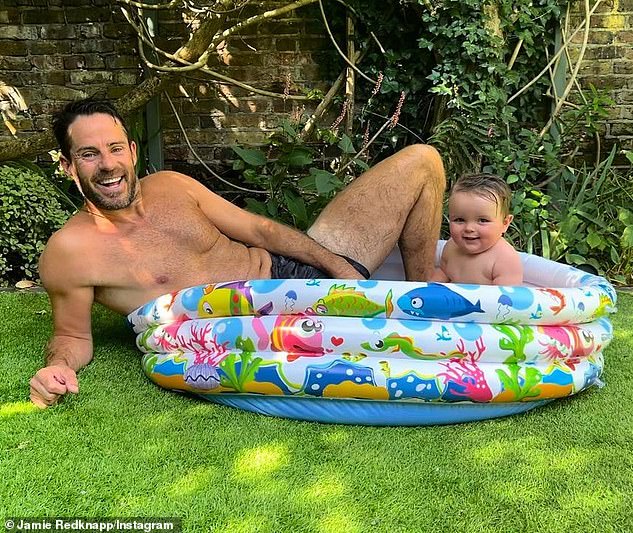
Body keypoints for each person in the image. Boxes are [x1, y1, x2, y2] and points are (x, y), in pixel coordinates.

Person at [29, 98, 446, 408]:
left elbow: (258, 229)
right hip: (257, 330)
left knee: (423, 160)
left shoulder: (173, 186)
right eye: (89, 154)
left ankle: (423, 293)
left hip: (294, 275)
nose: (107, 164)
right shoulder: (70, 250)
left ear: (132, 152)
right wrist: (58, 367)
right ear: (68, 166)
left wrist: (335, 264)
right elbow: (72, 336)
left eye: (115, 148)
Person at [430, 173, 523, 285]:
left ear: (505, 223)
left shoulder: (505, 259)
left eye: (483, 220)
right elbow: (443, 274)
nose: (469, 228)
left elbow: (507, 300)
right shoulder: (451, 247)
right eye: (459, 219)